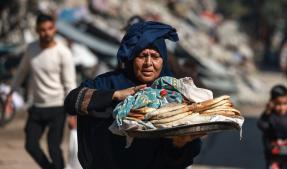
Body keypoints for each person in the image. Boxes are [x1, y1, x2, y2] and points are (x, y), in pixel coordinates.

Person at [64, 21, 201, 169]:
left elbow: (184, 155)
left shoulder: (175, 92)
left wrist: (179, 144)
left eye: (155, 56)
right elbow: (72, 102)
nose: (148, 63)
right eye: (142, 56)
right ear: (131, 58)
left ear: (163, 60)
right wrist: (115, 96)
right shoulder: (110, 83)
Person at [4, 13, 76, 169]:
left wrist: (72, 113)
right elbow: (21, 72)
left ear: (54, 29)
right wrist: (10, 94)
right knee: (30, 145)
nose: (46, 33)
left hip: (57, 106)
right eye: (42, 30)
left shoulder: (63, 53)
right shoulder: (31, 49)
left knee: (53, 148)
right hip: (37, 106)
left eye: (50, 29)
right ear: (37, 30)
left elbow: (69, 84)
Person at [257, 85, 287, 169]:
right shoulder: (270, 116)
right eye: (278, 104)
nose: (281, 107)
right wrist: (267, 112)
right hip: (272, 155)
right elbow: (262, 125)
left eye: (285, 104)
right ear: (271, 102)